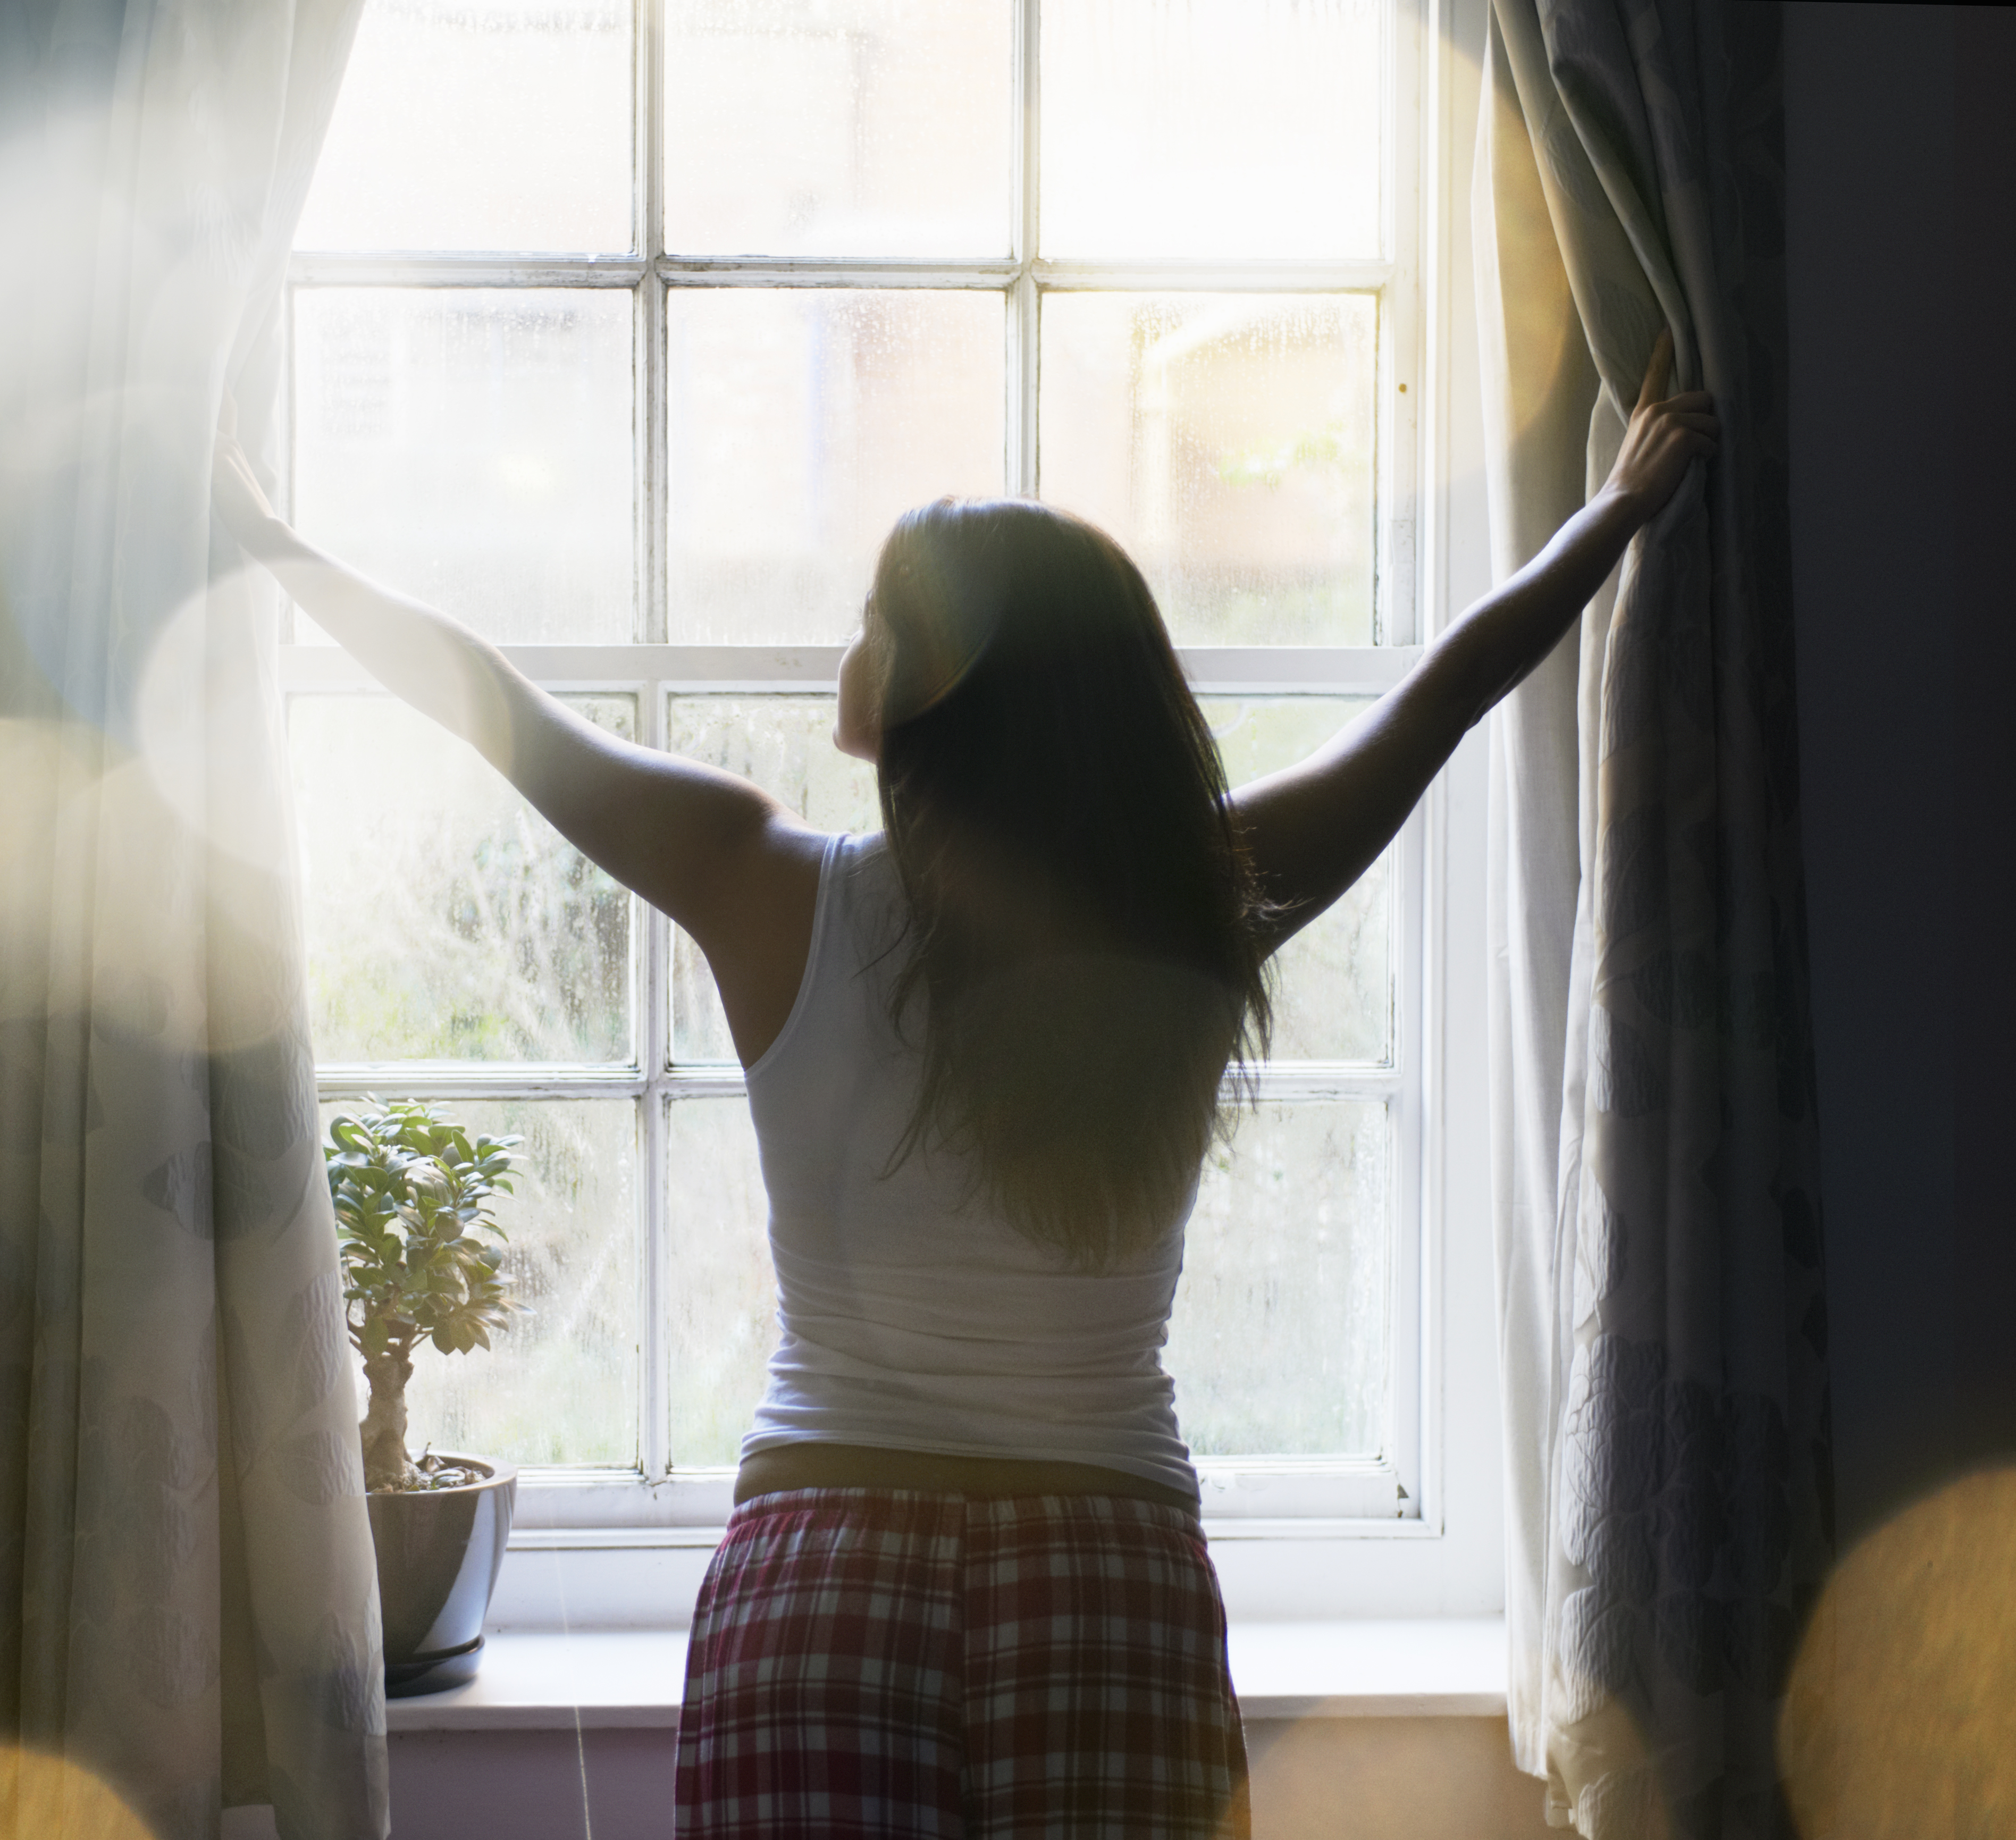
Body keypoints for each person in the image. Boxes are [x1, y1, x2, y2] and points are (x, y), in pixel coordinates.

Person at [208, 331, 1716, 1838]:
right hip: (1105, 1574)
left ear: (939, 686)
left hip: (821, 1582)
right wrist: (1615, 512)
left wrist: (277, 546)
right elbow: (1437, 704)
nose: (845, 649)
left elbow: (496, 712)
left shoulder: (759, 884)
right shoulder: (1193, 898)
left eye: (874, 621)